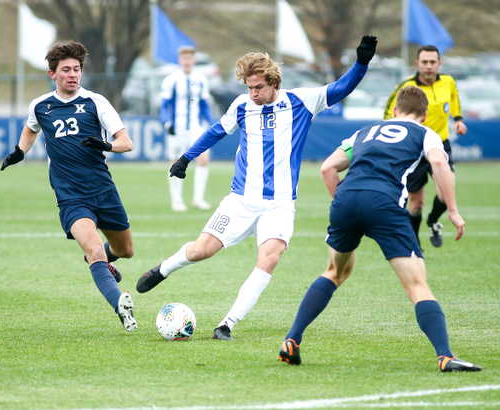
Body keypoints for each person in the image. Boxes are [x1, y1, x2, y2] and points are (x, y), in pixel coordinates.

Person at [136, 35, 378, 340]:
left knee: (269, 259)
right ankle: (164, 269)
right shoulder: (241, 106)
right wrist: (186, 158)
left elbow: (341, 88)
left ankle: (227, 324)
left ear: (274, 82)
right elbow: (215, 131)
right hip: (240, 201)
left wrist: (361, 64)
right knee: (200, 251)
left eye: (258, 87)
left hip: (279, 205)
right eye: (249, 87)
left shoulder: (301, 101)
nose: (253, 93)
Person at [278, 86, 481, 373]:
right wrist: (452, 210)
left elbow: (327, 168)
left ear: (395, 111)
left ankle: (292, 339)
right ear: (424, 116)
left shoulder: (363, 132)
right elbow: (438, 162)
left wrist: (345, 205)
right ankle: (445, 356)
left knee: (335, 272)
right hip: (384, 204)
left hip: (346, 199)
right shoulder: (425, 133)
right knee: (417, 285)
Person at [0, 40, 137, 332]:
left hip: (103, 190)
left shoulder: (96, 102)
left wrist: (106, 144)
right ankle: (121, 306)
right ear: (53, 74)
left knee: (125, 250)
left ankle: (103, 262)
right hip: (70, 196)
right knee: (94, 251)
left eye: (76, 69)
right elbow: (30, 129)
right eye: (66, 70)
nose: (72, 74)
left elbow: (127, 142)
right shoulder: (40, 106)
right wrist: (20, 152)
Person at [383, 45, 467, 248]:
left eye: (432, 62)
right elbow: (388, 114)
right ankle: (415, 242)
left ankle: (433, 220)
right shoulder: (406, 87)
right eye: (425, 62)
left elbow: (454, 98)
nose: (429, 66)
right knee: (416, 204)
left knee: (446, 193)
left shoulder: (448, 82)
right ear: (417, 64)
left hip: (440, 145)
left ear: (438, 64)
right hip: (414, 148)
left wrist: (458, 118)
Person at [161, 46, 215, 211]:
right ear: (180, 60)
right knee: (176, 162)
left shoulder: (200, 79)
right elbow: (164, 105)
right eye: (184, 59)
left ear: (193, 60)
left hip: (195, 127)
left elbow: (205, 104)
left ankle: (198, 199)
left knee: (203, 159)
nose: (187, 62)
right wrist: (166, 123)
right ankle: (177, 200)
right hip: (177, 128)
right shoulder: (171, 80)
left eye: (189, 59)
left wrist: (211, 123)